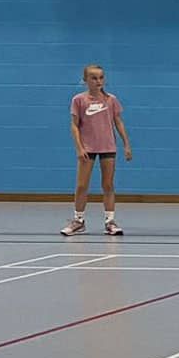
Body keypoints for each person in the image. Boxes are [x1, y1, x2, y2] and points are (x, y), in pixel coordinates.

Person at [61, 64, 132, 236]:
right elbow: (74, 126)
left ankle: (110, 221)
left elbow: (118, 122)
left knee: (108, 185)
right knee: (81, 185)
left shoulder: (111, 100)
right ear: (85, 80)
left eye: (101, 77)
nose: (98, 81)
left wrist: (126, 144)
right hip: (87, 149)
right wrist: (79, 147)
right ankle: (78, 220)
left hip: (108, 147)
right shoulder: (79, 100)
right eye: (93, 78)